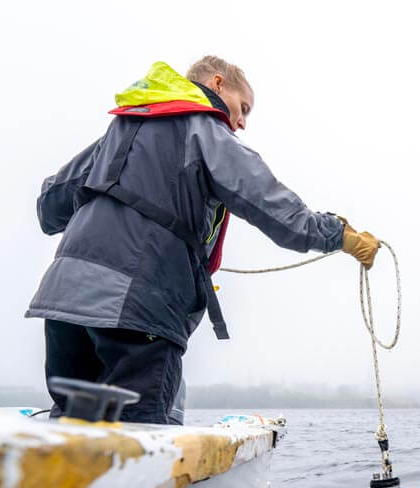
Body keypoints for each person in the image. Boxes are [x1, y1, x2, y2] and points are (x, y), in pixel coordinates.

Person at [26, 56, 380, 424]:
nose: (241, 122)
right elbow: (272, 206)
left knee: (70, 428)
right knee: (137, 437)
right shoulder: (204, 128)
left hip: (64, 302)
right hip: (135, 308)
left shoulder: (121, 129)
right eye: (243, 108)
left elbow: (49, 206)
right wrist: (340, 236)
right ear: (217, 84)